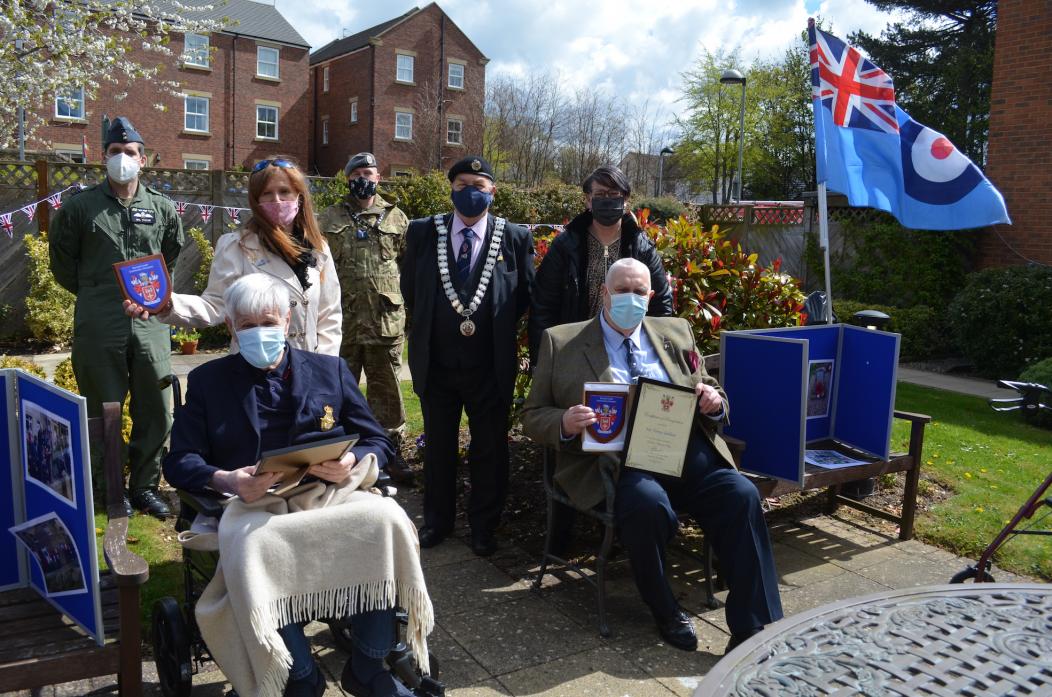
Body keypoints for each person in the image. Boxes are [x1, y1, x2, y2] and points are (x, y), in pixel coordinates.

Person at [164, 274, 430, 697]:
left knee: (385, 519)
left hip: (329, 494)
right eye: (247, 325)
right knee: (256, 548)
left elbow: (379, 441)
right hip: (254, 503)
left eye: (268, 321)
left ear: (287, 320)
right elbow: (179, 461)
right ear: (231, 328)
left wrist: (353, 460)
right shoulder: (209, 382)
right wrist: (225, 479)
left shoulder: (330, 370)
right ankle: (297, 673)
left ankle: (368, 663)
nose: (259, 332)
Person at [521, 258, 783, 653]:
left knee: (740, 495)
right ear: (604, 293)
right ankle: (665, 609)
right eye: (621, 290)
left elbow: (710, 387)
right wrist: (565, 421)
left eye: (639, 291)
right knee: (647, 506)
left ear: (651, 295)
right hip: (618, 463)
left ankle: (751, 627)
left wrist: (714, 402)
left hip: (687, 454)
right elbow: (531, 415)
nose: (631, 297)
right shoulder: (562, 341)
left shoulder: (675, 332)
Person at [50, 116, 184, 519]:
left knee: (157, 407)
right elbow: (62, 265)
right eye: (114, 152)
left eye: (130, 152)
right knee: (101, 409)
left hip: (150, 322)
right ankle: (109, 489)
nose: (122, 158)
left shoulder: (161, 208)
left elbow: (171, 254)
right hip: (98, 322)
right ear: (104, 158)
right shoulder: (79, 208)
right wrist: (98, 295)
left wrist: (152, 297)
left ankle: (144, 487)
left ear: (143, 160)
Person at [400, 155, 534, 557]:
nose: (470, 192)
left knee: (489, 449)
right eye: (462, 185)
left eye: (479, 185)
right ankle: (437, 522)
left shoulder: (513, 237)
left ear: (493, 190)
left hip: (488, 367)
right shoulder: (425, 232)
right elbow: (411, 288)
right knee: (438, 447)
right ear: (451, 189)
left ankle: (483, 527)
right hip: (437, 364)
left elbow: (524, 293)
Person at [123, 157, 341, 356]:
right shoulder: (236, 246)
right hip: (253, 368)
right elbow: (215, 304)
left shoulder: (318, 248)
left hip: (308, 369)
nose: (276, 200)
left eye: (284, 191)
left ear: (299, 197)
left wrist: (323, 366)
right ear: (256, 201)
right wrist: (167, 303)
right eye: (266, 193)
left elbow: (329, 315)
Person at [318, 152, 414, 484]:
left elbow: (407, 267)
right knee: (335, 393)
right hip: (339, 323)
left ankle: (391, 455)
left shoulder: (396, 218)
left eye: (370, 172)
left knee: (387, 393)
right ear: (347, 178)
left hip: (384, 322)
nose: (365, 178)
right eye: (358, 172)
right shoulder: (328, 218)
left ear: (379, 178)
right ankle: (332, 455)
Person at [527, 164, 673, 365]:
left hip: (629, 351)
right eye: (600, 194)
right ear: (588, 200)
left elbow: (661, 304)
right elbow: (543, 306)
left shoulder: (641, 246)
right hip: (575, 352)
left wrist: (657, 355)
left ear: (625, 199)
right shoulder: (566, 246)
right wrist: (542, 362)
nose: (607, 200)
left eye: (614, 194)